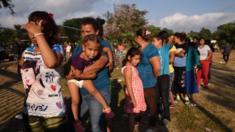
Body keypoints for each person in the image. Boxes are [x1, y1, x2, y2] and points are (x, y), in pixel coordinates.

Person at [18, 11, 66, 132]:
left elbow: (51, 63)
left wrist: (38, 33)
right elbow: (23, 73)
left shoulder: (56, 48)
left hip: (53, 109)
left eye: (37, 31)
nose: (33, 35)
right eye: (31, 31)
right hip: (31, 108)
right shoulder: (26, 51)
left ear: (49, 33)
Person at [70, 17, 113, 132]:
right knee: (80, 122)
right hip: (83, 92)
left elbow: (101, 62)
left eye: (88, 32)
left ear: (97, 32)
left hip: (98, 90)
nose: (84, 34)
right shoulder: (79, 47)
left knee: (96, 126)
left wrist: (78, 74)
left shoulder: (101, 43)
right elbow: (72, 65)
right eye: (82, 31)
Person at [134, 28, 160, 128]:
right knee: (139, 102)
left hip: (149, 82)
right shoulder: (139, 48)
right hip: (138, 82)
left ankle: (153, 124)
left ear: (139, 37)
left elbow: (157, 68)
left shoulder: (151, 49)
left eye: (136, 36)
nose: (134, 38)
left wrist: (154, 80)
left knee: (151, 104)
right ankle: (139, 120)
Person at [121, 47, 146, 132]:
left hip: (137, 94)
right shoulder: (128, 69)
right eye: (135, 59)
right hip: (133, 95)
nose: (138, 61)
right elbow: (128, 85)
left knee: (136, 113)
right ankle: (132, 129)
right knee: (132, 114)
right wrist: (132, 99)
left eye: (139, 59)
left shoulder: (132, 67)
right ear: (129, 57)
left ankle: (136, 126)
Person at [152, 31, 170, 124]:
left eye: (154, 41)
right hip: (155, 76)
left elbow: (171, 38)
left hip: (164, 76)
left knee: (164, 96)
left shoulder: (165, 48)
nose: (152, 42)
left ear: (160, 41)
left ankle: (166, 115)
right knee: (156, 96)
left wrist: (163, 36)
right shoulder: (152, 51)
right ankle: (157, 113)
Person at [173, 32, 188, 103]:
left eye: (175, 38)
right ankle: (177, 95)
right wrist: (177, 53)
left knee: (181, 81)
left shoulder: (185, 45)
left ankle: (185, 96)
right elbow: (179, 54)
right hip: (174, 66)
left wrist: (174, 53)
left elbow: (182, 55)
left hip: (182, 66)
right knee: (175, 81)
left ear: (178, 38)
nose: (174, 39)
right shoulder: (174, 45)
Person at [168, 35, 176, 108]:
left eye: (170, 38)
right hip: (164, 71)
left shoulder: (172, 48)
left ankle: (172, 103)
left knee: (168, 88)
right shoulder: (165, 46)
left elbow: (171, 60)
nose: (168, 39)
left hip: (169, 71)